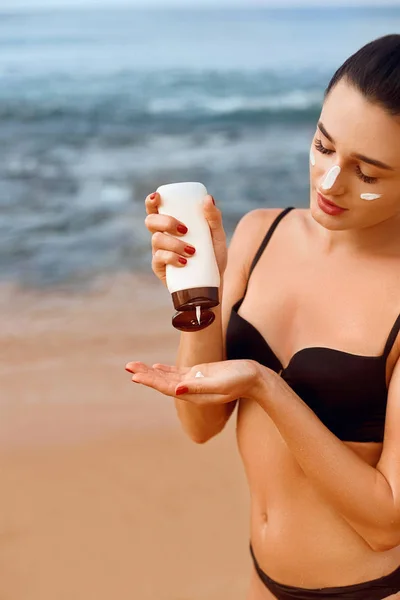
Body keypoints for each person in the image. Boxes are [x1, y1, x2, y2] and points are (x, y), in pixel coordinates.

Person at [125, 35, 400, 599]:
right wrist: (196, 296)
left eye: (367, 174)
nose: (328, 182)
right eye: (323, 146)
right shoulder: (260, 234)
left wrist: (266, 388)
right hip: (260, 582)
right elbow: (202, 425)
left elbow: (383, 523)